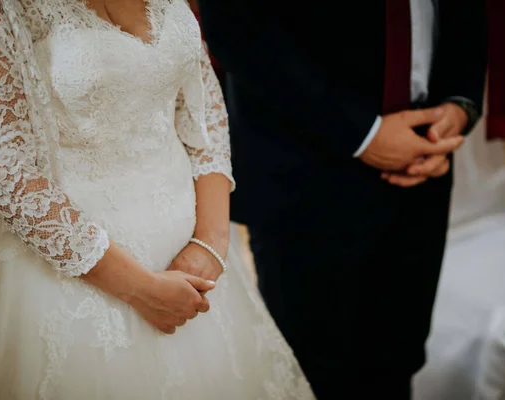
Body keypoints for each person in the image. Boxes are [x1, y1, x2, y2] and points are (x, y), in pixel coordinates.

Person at [0, 1, 314, 399]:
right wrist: (144, 290)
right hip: (64, 266)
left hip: (190, 248)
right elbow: (7, 174)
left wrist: (211, 244)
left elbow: (202, 114)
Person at [197, 0, 487, 398]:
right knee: (314, 374)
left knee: (397, 364)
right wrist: (363, 133)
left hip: (423, 166)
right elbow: (237, 25)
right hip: (304, 174)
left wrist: (461, 102)